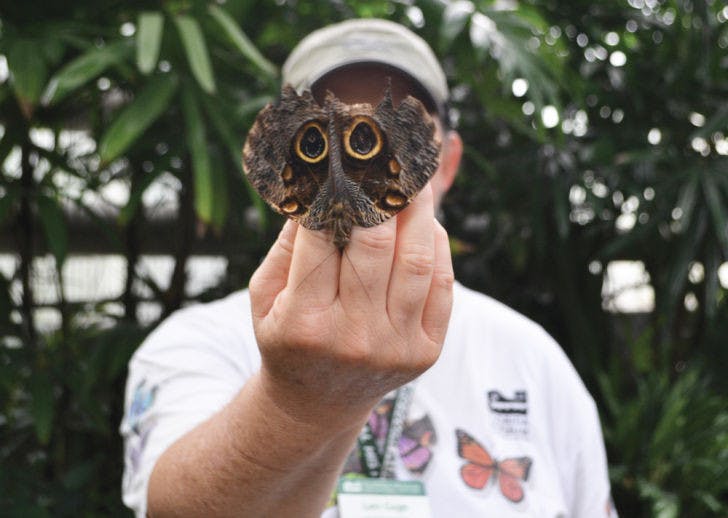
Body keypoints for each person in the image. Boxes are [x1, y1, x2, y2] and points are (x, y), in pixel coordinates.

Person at [121, 18, 616, 517]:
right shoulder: (198, 342)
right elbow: (173, 507)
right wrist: (298, 402)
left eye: (395, 129)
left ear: (445, 164)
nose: (357, 165)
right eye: (321, 133)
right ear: (281, 159)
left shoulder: (532, 360)